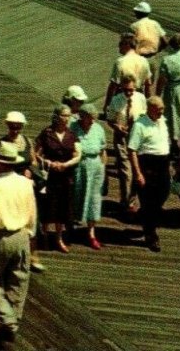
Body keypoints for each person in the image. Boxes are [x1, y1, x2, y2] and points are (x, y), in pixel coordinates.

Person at [0, 140, 38, 349]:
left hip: (0, 237)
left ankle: (7, 320)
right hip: (22, 235)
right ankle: (12, 323)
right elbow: (32, 212)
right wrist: (30, 234)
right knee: (18, 281)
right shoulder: (26, 183)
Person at [0, 111, 44, 273]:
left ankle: (33, 253)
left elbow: (34, 161)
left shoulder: (27, 141)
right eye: (12, 127)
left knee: (31, 219)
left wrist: (31, 171)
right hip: (10, 186)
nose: (15, 130)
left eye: (18, 127)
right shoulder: (2, 143)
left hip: (27, 186)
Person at [34, 106, 80, 252]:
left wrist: (65, 165)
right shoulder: (46, 133)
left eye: (68, 116)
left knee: (62, 208)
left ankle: (59, 238)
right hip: (50, 175)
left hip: (65, 176)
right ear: (57, 116)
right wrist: (47, 162)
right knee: (48, 206)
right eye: (64, 115)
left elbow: (78, 154)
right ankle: (44, 236)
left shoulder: (72, 134)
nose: (66, 119)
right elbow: (35, 153)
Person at [128, 96, 171, 252]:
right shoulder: (140, 125)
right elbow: (132, 150)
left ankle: (146, 217)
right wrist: (138, 173)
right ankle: (151, 235)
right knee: (149, 201)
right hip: (148, 164)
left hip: (163, 163)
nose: (162, 112)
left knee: (164, 193)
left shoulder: (163, 120)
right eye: (159, 109)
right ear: (151, 108)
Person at [106, 76, 147, 215]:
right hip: (121, 137)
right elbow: (109, 119)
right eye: (126, 90)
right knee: (125, 170)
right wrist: (116, 126)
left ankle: (131, 198)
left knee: (137, 169)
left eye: (131, 90)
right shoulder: (116, 100)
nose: (129, 93)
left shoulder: (141, 98)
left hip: (137, 137)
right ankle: (127, 201)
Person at [70, 103, 107, 250]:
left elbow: (103, 150)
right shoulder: (73, 128)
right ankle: (70, 227)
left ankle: (91, 233)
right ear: (82, 117)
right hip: (79, 165)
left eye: (94, 118)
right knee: (76, 195)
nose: (92, 121)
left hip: (96, 165)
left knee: (94, 199)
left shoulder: (98, 128)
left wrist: (103, 168)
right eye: (90, 118)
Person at [105, 33, 152, 108]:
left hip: (122, 96)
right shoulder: (144, 61)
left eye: (120, 44)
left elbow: (113, 86)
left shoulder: (120, 62)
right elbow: (148, 84)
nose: (119, 47)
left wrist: (107, 105)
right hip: (139, 97)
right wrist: (148, 103)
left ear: (127, 45)